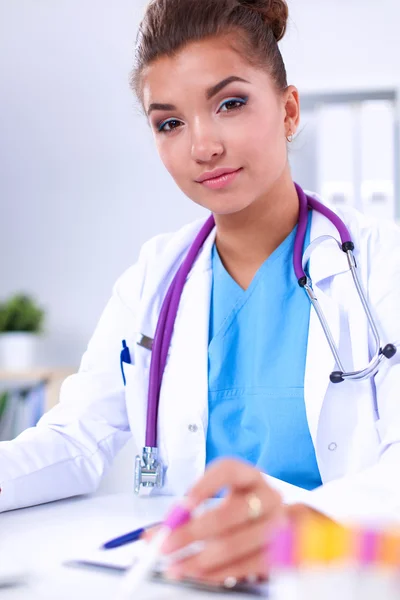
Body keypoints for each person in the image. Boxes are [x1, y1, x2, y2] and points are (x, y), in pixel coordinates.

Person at [1, 0, 400, 587]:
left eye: (230, 104)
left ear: (289, 111)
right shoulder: (153, 278)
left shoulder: (379, 265)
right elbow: (76, 439)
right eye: (170, 123)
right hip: (190, 576)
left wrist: (304, 522)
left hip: (338, 572)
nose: (202, 146)